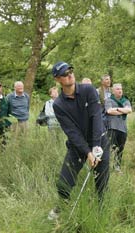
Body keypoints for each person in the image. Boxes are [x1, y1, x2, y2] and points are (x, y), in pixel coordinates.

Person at [48, 61, 110, 220]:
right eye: (64, 74)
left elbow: (96, 117)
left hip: (100, 140)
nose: (69, 75)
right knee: (63, 183)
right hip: (78, 146)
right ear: (57, 79)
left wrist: (96, 147)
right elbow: (72, 132)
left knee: (101, 182)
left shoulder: (88, 90)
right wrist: (88, 152)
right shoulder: (59, 104)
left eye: (70, 71)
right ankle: (63, 207)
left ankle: (101, 214)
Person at [105, 83, 132, 173]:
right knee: (110, 148)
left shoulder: (125, 100)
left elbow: (129, 110)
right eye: (117, 89)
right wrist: (122, 110)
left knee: (120, 149)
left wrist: (116, 109)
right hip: (112, 127)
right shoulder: (109, 100)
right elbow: (109, 111)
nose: (120, 90)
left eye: (120, 89)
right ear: (113, 91)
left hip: (123, 128)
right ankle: (107, 167)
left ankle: (117, 167)